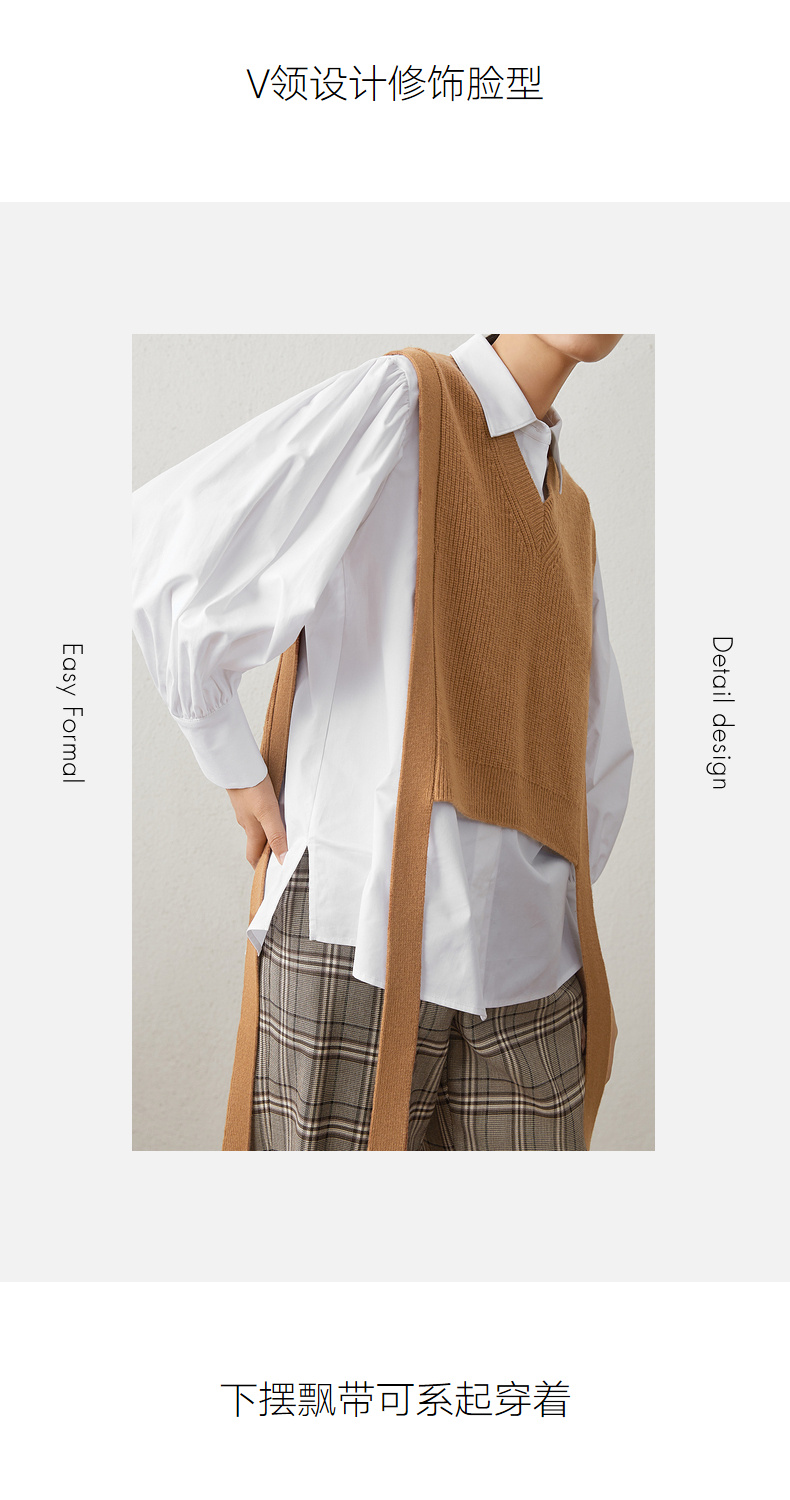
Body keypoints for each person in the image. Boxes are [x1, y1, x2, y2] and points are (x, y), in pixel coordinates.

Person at [132, 333, 634, 1153]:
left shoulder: (570, 509)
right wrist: (232, 763)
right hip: (359, 931)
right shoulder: (402, 403)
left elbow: (597, 751)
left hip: (532, 970)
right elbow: (173, 547)